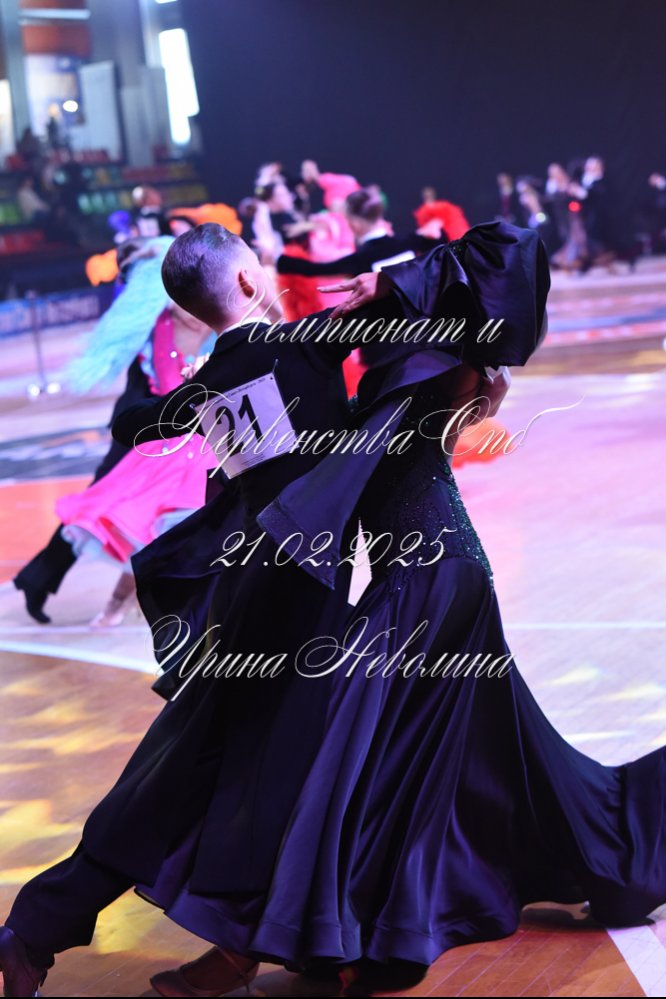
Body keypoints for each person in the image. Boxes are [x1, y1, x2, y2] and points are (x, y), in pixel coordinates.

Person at [0, 220, 517, 997]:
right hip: (300, 610)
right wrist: (393, 285)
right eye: (261, 265)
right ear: (247, 282)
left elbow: (141, 426)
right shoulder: (301, 345)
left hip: (244, 601)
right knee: (261, 779)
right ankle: (277, 942)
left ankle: (50, 931)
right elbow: (464, 279)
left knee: (188, 772)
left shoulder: (209, 381)